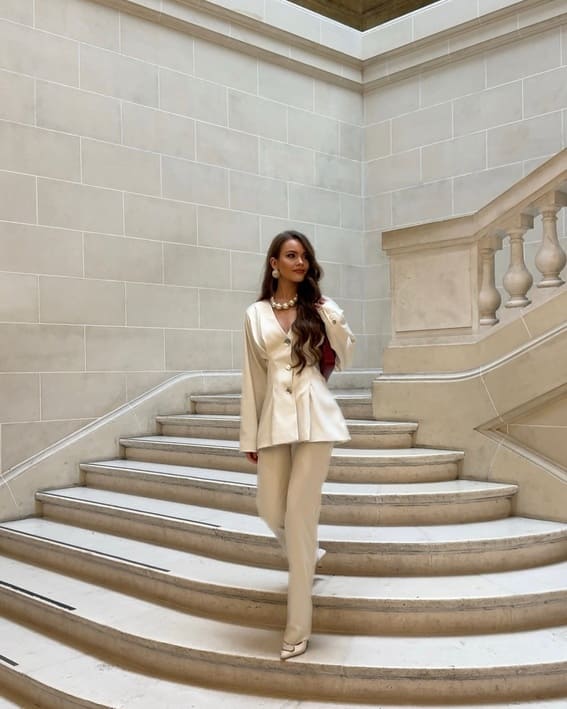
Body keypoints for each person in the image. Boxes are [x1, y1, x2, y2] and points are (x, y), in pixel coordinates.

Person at [239, 230, 356, 661]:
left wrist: (333, 319)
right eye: (291, 255)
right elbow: (252, 378)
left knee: (300, 515)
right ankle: (310, 552)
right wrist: (249, 435)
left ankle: (297, 627)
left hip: (316, 417)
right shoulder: (254, 314)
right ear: (274, 263)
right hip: (273, 420)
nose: (300, 262)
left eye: (304, 256)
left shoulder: (321, 309)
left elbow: (346, 355)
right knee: (270, 509)